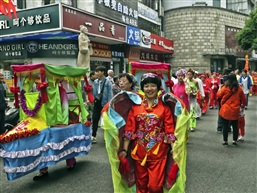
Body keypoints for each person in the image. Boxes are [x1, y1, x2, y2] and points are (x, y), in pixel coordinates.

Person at [119, 73, 175, 193]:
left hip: (158, 153)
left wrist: (175, 150)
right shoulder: (135, 107)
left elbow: (169, 130)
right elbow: (129, 130)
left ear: (158, 88)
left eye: (153, 86)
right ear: (142, 88)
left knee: (154, 186)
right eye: (146, 86)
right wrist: (124, 150)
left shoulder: (164, 108)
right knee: (141, 185)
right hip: (138, 152)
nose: (149, 89)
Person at [217, 74, 246, 146]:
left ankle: (225, 140)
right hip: (235, 110)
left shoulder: (225, 87)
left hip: (225, 109)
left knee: (225, 125)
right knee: (235, 125)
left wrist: (220, 88)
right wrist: (243, 105)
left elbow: (218, 95)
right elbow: (244, 99)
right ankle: (234, 140)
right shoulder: (239, 89)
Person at [92, 66, 113, 143]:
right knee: (95, 119)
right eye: (96, 71)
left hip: (105, 103)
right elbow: (94, 92)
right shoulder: (95, 82)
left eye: (98, 71)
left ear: (102, 72)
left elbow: (110, 94)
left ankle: (106, 136)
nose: (96, 73)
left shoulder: (108, 82)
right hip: (97, 102)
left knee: (105, 120)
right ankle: (93, 136)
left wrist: (109, 104)